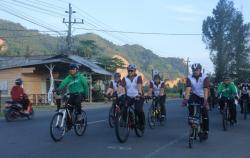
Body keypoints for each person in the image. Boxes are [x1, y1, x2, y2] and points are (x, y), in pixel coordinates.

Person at [182, 63, 210, 140]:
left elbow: (205, 89)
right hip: (195, 95)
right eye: (193, 70)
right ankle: (193, 127)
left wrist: (205, 101)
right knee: (191, 108)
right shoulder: (189, 77)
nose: (195, 71)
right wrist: (186, 99)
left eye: (197, 70)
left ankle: (205, 131)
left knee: (204, 114)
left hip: (204, 95)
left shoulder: (205, 77)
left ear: (200, 70)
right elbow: (188, 88)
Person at [121, 64, 145, 130]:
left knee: (138, 110)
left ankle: (142, 123)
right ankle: (129, 120)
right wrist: (117, 94)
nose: (130, 72)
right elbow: (120, 87)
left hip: (138, 96)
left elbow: (139, 86)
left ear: (135, 71)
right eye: (128, 71)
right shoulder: (125, 78)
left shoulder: (138, 77)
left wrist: (139, 93)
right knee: (124, 107)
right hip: (129, 96)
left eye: (131, 71)